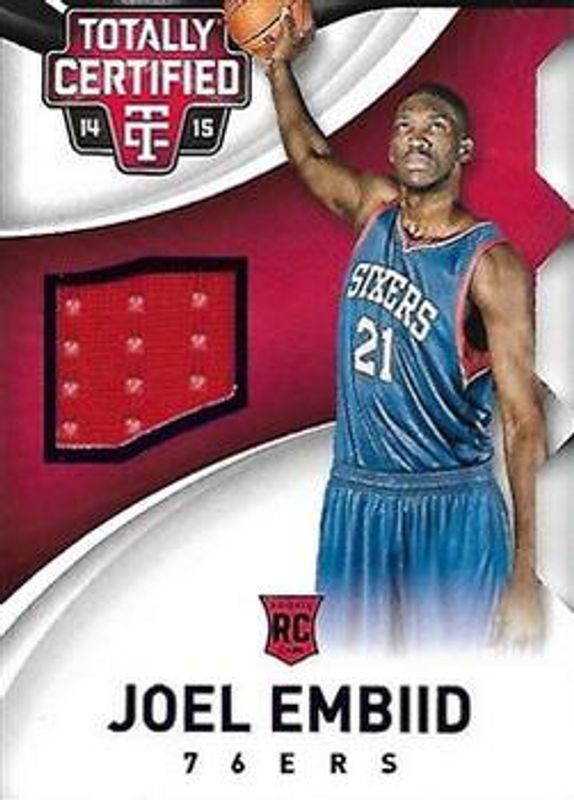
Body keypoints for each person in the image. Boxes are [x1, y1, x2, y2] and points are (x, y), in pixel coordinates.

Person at [264, 12, 546, 650]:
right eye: (405, 126)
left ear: (462, 151)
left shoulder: (491, 265)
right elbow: (310, 154)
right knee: (356, 684)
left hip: (452, 507)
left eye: (436, 126)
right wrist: (277, 68)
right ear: (391, 150)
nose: (418, 137)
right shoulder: (374, 212)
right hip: (358, 499)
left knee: (454, 688)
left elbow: (524, 421)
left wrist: (526, 575)